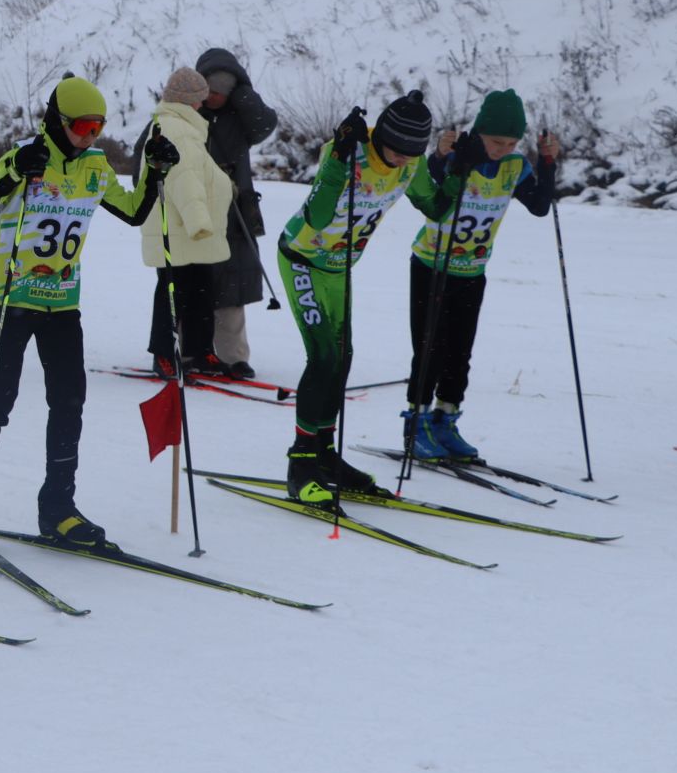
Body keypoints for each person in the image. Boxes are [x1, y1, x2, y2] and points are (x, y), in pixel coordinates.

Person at [0, 78, 174, 550]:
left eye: (98, 128)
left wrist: (154, 169)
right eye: (83, 127)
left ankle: (59, 510)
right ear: (57, 120)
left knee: (69, 404)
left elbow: (132, 212)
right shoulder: (25, 157)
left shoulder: (95, 165)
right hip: (12, 300)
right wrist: (11, 176)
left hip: (63, 303)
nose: (91, 137)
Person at [278, 89, 466, 502]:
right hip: (303, 259)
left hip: (339, 267)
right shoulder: (347, 149)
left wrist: (458, 170)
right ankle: (301, 463)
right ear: (381, 137)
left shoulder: (411, 162)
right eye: (396, 151)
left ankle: (325, 454)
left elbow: (434, 207)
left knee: (342, 359)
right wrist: (337, 163)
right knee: (324, 356)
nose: (401, 161)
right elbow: (319, 215)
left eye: (410, 154)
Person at [403, 90, 558, 461]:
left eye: (510, 142)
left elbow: (539, 207)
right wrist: (440, 154)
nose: (502, 149)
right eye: (495, 141)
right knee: (429, 349)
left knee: (460, 351)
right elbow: (430, 183)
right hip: (432, 266)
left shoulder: (514, 166)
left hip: (472, 270)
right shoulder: (460, 155)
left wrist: (548, 163)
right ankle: (417, 423)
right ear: (480, 132)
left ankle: (446, 419)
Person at [138, 68, 232, 376]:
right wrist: (198, 221)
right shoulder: (174, 129)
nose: (202, 105)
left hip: (187, 229)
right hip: (180, 227)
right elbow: (182, 178)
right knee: (172, 291)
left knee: (199, 288)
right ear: (189, 101)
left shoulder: (182, 127)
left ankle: (199, 351)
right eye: (199, 100)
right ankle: (164, 353)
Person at [194, 48, 279, 378]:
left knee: (233, 287)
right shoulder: (188, 112)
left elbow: (264, 124)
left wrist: (243, 93)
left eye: (221, 92)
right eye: (209, 90)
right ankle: (192, 351)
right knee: (194, 283)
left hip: (235, 212)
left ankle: (234, 357)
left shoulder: (242, 116)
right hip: (196, 207)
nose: (214, 97)